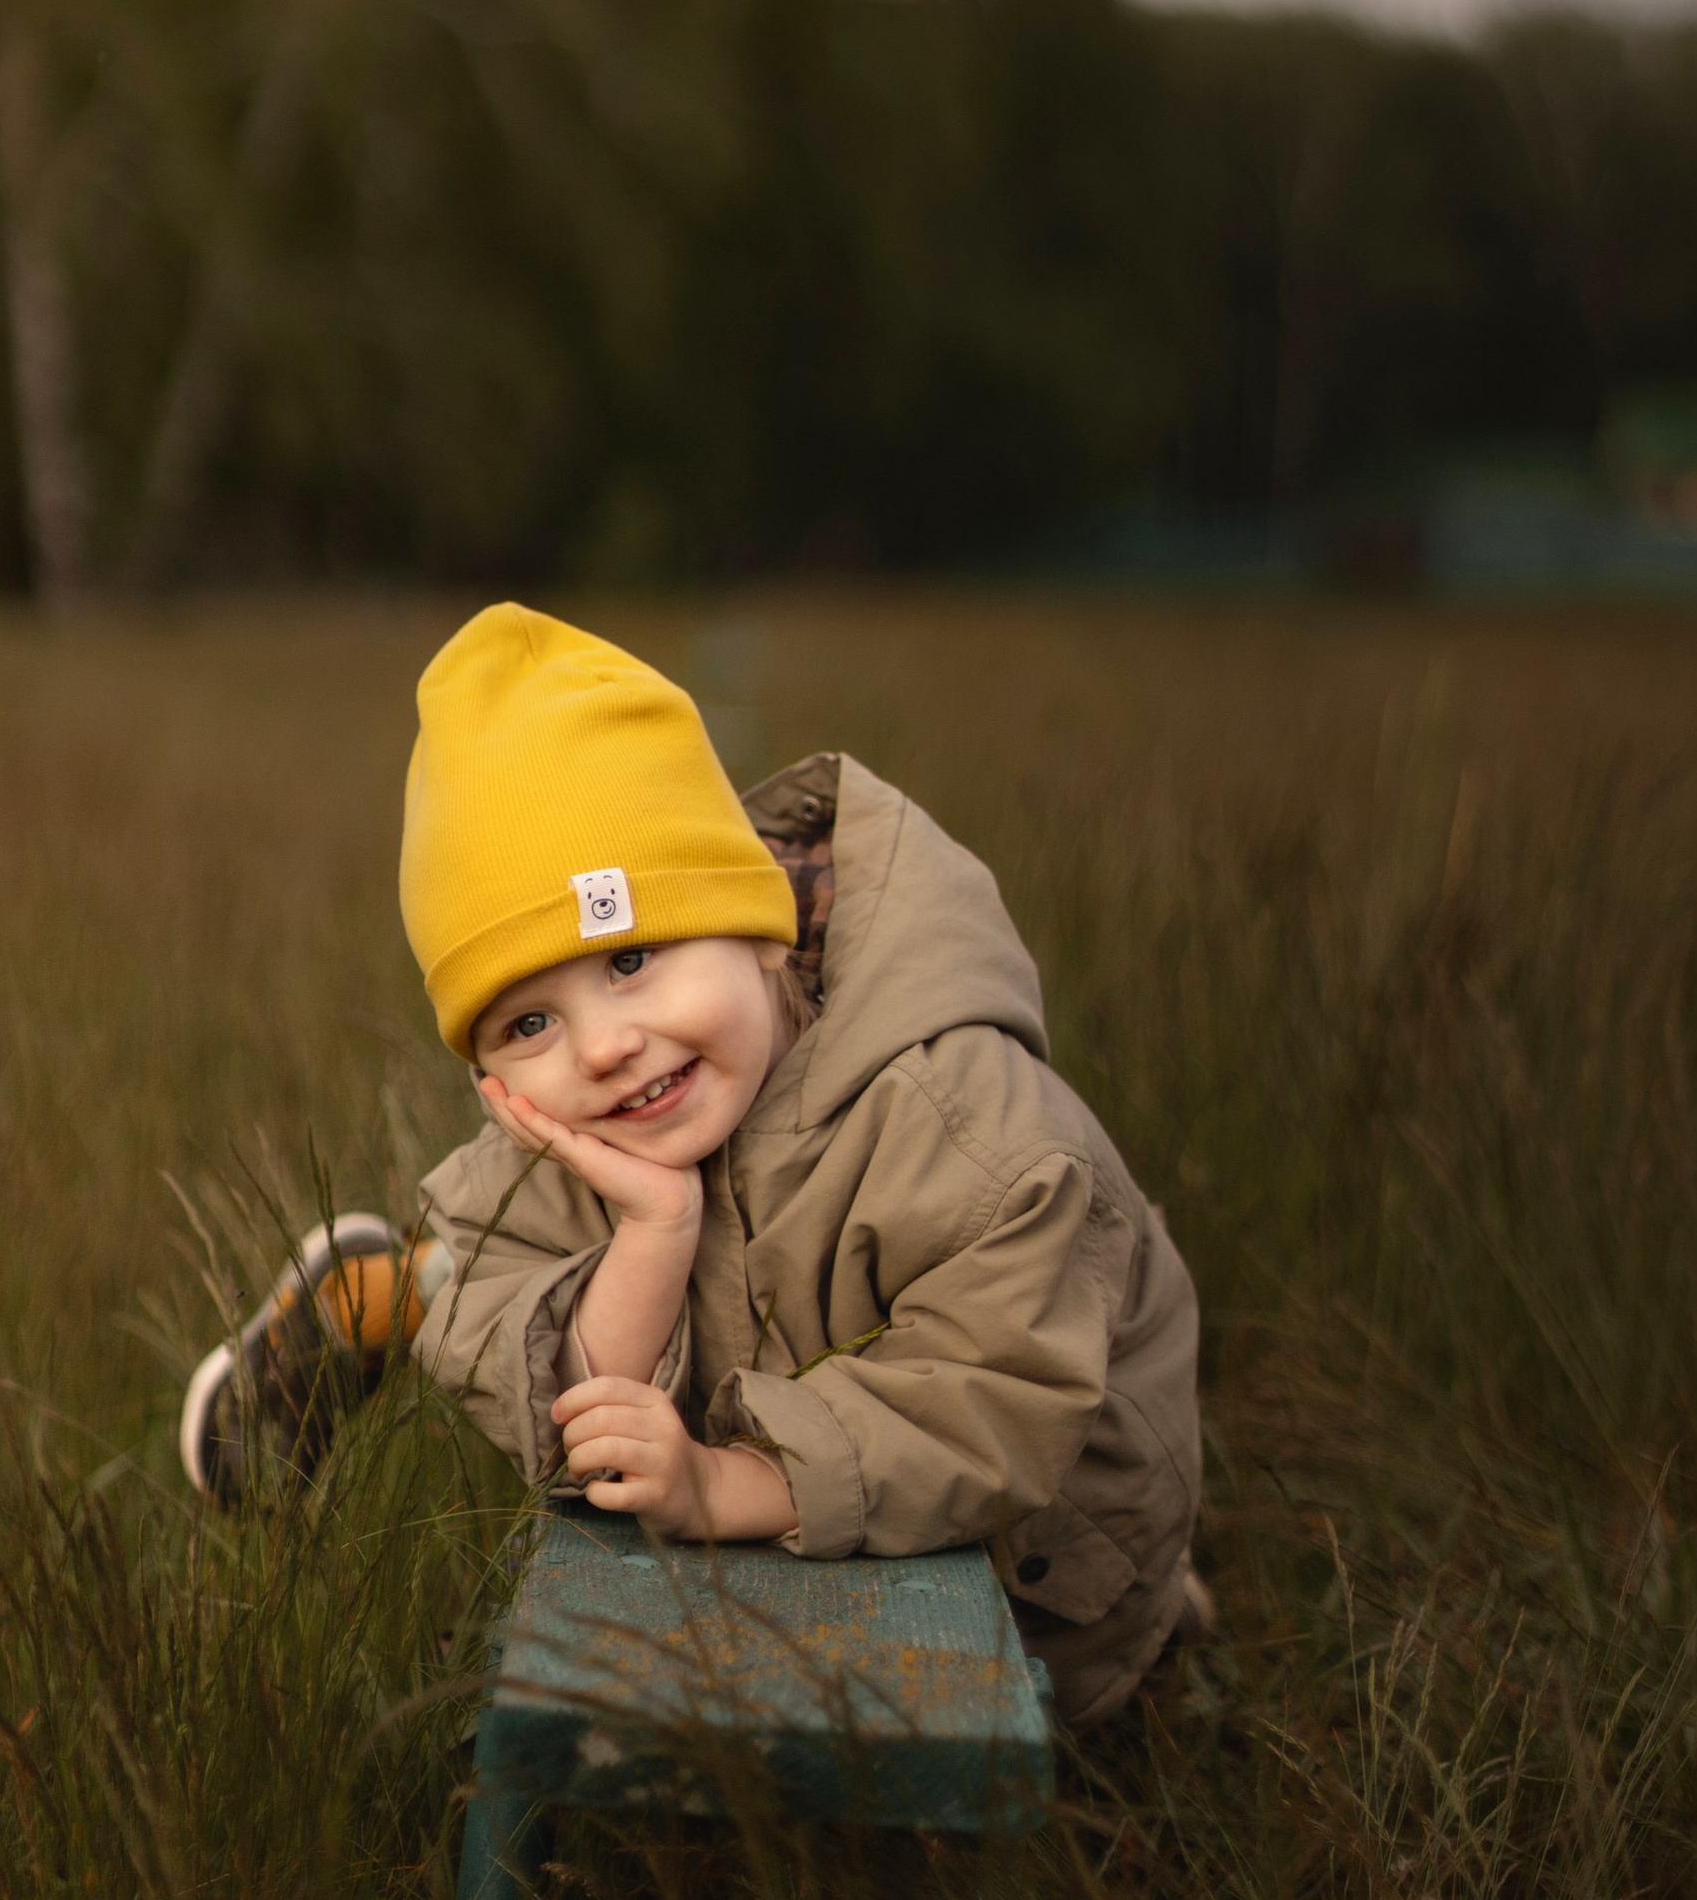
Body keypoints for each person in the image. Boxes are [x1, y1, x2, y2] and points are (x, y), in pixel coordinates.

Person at [393, 602, 1205, 1728]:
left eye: (631, 958)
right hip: (762, 1569)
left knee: (1052, 1742)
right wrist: (655, 1232)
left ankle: (1172, 1623)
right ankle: (389, 1282)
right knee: (472, 1285)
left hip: (1042, 1575)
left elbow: (994, 1389)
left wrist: (731, 1485)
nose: (603, 1047)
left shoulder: (960, 1120)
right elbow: (573, 1423)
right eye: (528, 1024)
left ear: (762, 922)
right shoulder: (570, 1132)